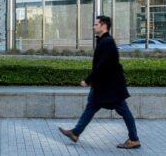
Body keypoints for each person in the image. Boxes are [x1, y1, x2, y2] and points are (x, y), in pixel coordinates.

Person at [59, 15, 141, 150]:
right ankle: (75, 133)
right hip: (103, 87)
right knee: (91, 107)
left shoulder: (107, 42)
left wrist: (88, 80)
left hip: (111, 88)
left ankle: (134, 139)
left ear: (104, 26)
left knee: (124, 111)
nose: (93, 26)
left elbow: (103, 66)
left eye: (96, 24)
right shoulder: (103, 41)